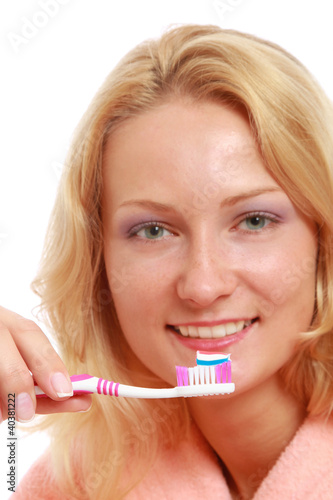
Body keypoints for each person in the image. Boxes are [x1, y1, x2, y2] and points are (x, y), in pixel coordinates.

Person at [2, 23, 333, 499]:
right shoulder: (76, 486)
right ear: (99, 262)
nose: (202, 285)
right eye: (153, 231)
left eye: (255, 221)